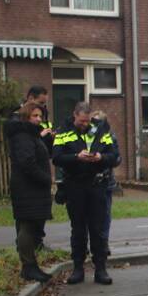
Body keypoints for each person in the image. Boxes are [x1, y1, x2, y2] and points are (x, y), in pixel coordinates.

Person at [51, 102, 120, 285]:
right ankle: (78, 268)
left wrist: (100, 158)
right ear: (75, 115)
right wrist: (76, 157)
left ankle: (101, 269)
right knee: (78, 229)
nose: (84, 124)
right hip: (75, 186)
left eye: (87, 121)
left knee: (98, 229)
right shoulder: (63, 132)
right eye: (81, 121)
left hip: (96, 185)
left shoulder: (100, 130)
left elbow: (114, 156)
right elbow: (56, 157)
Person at [4, 102, 53, 283]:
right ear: (26, 117)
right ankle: (28, 266)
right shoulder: (22, 135)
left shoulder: (31, 134)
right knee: (26, 226)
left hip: (33, 188)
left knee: (32, 226)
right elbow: (27, 163)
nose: (39, 119)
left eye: (40, 116)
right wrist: (45, 178)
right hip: (27, 188)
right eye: (35, 116)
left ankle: (32, 265)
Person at [90, 110, 121, 256]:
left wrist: (104, 158)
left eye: (98, 122)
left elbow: (117, 158)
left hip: (105, 180)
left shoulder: (110, 136)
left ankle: (103, 242)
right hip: (87, 181)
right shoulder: (86, 136)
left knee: (105, 214)